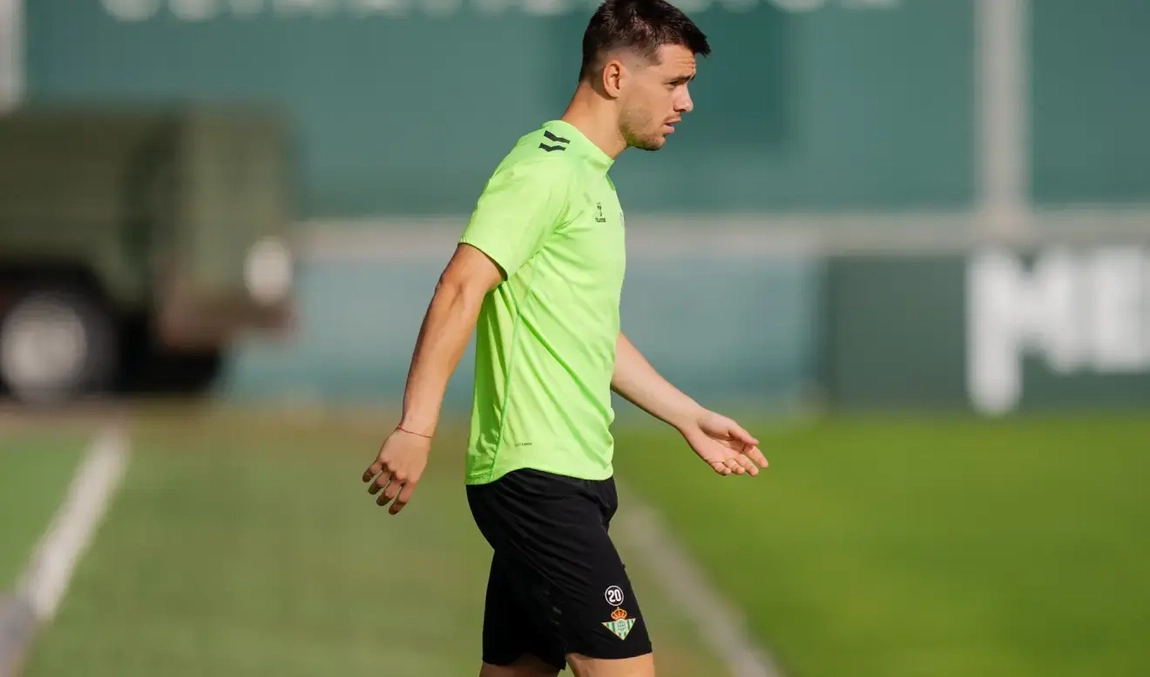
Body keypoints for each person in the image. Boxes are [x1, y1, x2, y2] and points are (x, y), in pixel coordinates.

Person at [362, 0, 768, 674]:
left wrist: (685, 415)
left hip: (574, 478)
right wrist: (417, 426)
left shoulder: (590, 180)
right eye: (673, 83)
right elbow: (462, 285)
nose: (687, 102)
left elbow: (590, 333)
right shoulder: (544, 170)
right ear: (614, 77)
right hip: (537, 482)